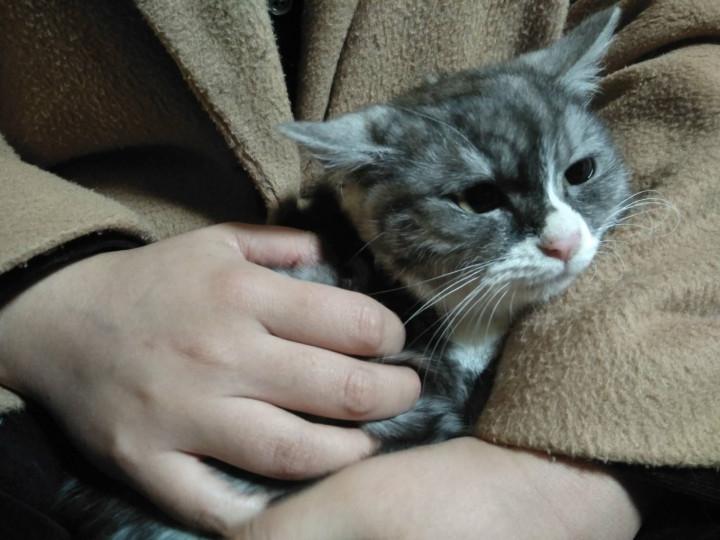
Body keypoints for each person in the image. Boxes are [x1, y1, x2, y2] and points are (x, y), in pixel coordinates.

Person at [0, 0, 717, 538]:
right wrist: (40, 284)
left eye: (582, 173)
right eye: (480, 199)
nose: (565, 237)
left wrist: (575, 477)